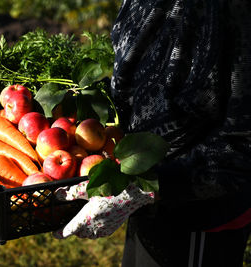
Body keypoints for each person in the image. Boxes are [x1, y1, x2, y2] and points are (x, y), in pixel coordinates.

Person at [53, 1, 251, 266]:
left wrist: (143, 190)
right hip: (148, 197)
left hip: (199, 219)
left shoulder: (230, 14)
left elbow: (241, 144)